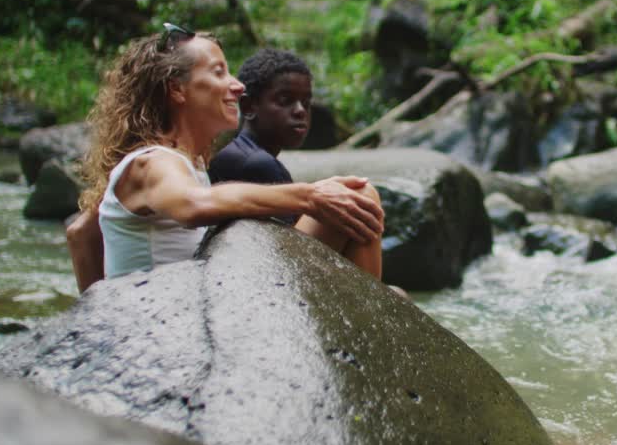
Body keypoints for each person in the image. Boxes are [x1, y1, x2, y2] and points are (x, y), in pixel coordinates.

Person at [65, 24, 383, 292]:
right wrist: (309, 197)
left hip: (208, 305)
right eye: (219, 73)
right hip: (173, 328)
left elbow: (80, 233)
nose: (237, 86)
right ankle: (372, 340)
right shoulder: (155, 163)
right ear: (177, 90)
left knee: (356, 199)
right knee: (359, 197)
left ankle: (374, 326)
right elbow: (193, 205)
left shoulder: (187, 162)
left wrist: (95, 317)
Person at [209, 48, 382, 280]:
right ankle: (374, 307)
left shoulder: (244, 154)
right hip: (265, 279)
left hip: (262, 265)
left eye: (306, 102)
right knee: (361, 194)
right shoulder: (254, 163)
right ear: (249, 107)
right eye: (285, 101)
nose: (300, 111)